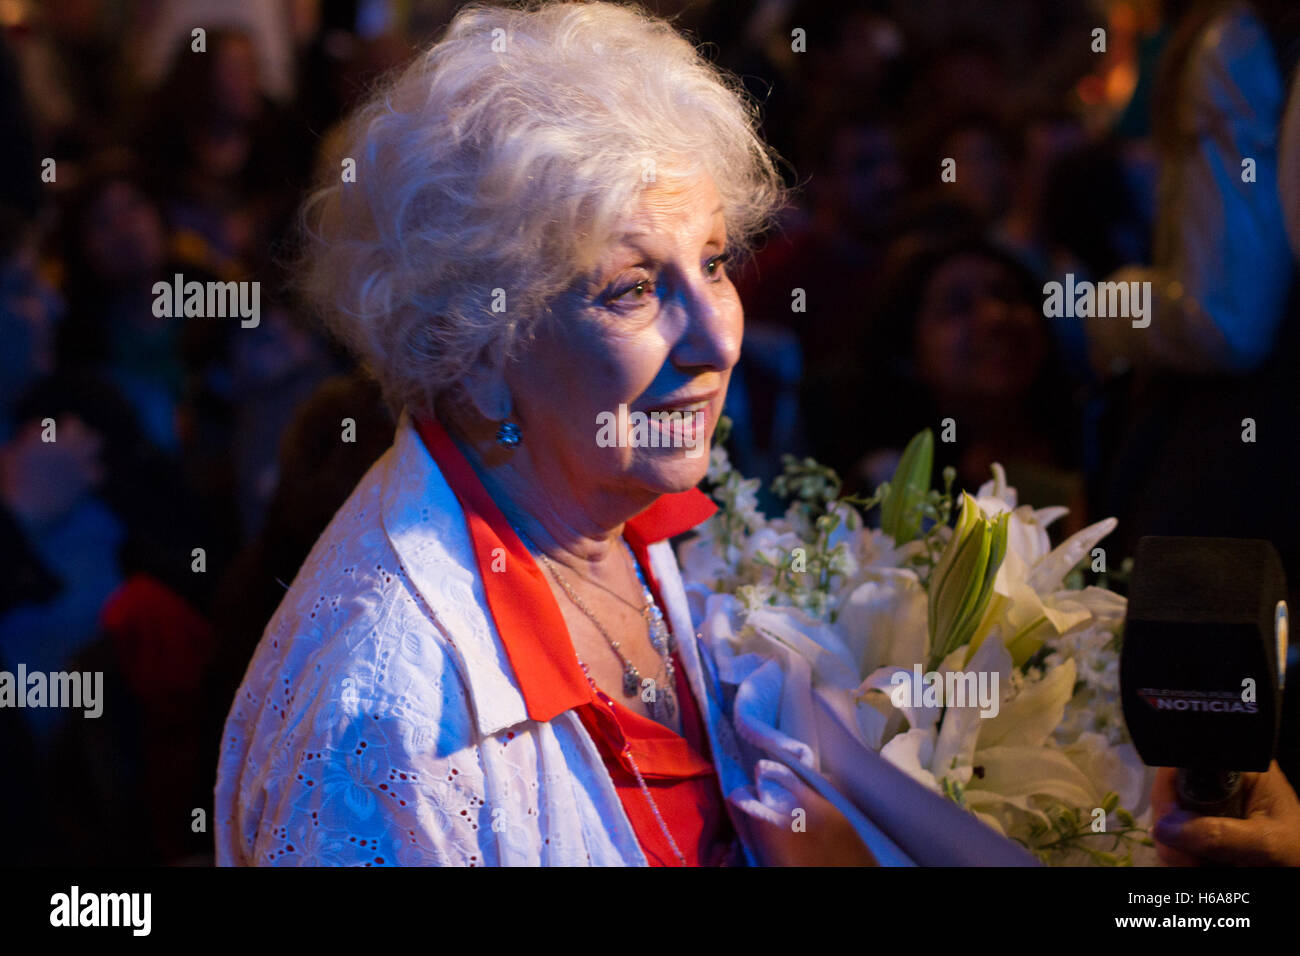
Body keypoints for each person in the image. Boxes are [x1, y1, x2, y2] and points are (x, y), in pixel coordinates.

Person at [214, 0, 874, 867]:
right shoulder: (384, 718)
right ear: (476, 352)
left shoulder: (613, 505)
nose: (716, 340)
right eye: (632, 289)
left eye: (712, 263)